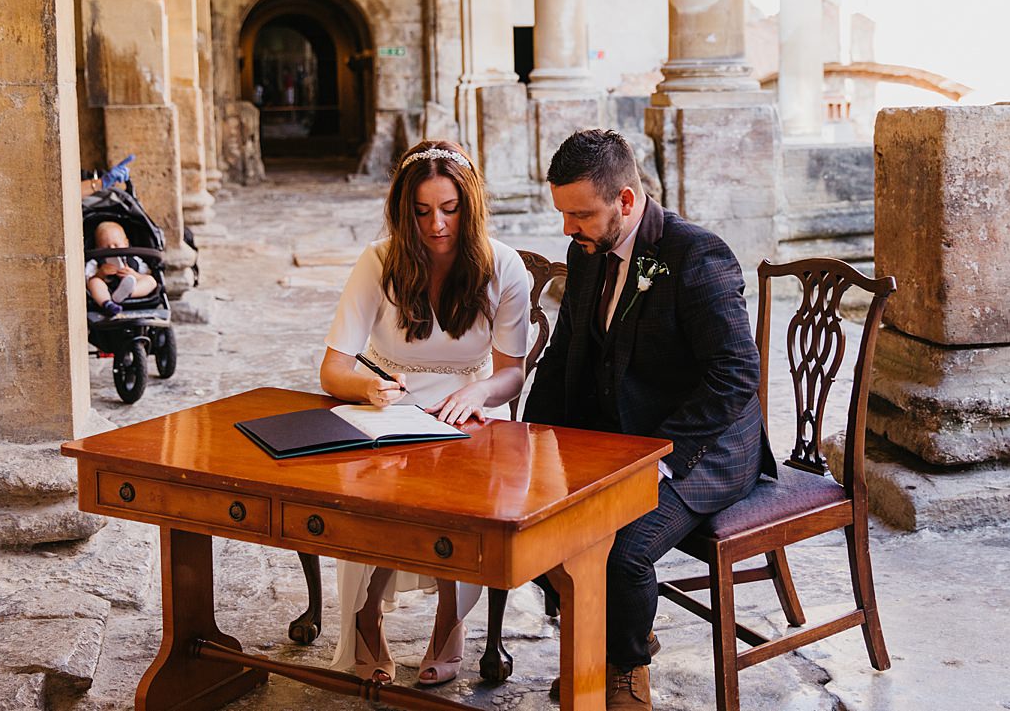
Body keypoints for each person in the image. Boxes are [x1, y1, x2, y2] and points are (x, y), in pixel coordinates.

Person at [522, 129, 776, 710]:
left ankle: (625, 665)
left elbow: (736, 375)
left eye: (580, 214)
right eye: (563, 214)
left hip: (703, 450)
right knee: (533, 521)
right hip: (622, 436)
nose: (568, 229)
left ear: (627, 202)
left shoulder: (696, 255)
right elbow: (565, 355)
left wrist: (660, 460)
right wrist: (530, 443)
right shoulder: (585, 250)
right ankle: (601, 634)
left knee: (621, 549)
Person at [319, 139, 531, 687]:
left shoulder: (504, 266)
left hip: (470, 406)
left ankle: (448, 623)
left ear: (471, 205)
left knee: (465, 494)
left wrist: (479, 393)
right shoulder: (380, 260)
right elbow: (333, 370)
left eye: (449, 209)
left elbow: (512, 370)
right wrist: (367, 387)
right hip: (390, 402)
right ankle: (366, 618)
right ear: (403, 211)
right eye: (421, 211)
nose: (436, 225)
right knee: (381, 489)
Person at [85, 221, 156, 316]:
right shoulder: (96, 262)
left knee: (151, 281)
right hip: (107, 292)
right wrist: (100, 274)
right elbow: (87, 279)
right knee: (94, 282)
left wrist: (134, 275)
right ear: (98, 248)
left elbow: (147, 273)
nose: (112, 249)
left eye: (116, 245)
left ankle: (129, 292)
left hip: (133, 289)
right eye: (106, 247)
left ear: (126, 243)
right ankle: (108, 304)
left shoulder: (134, 259)